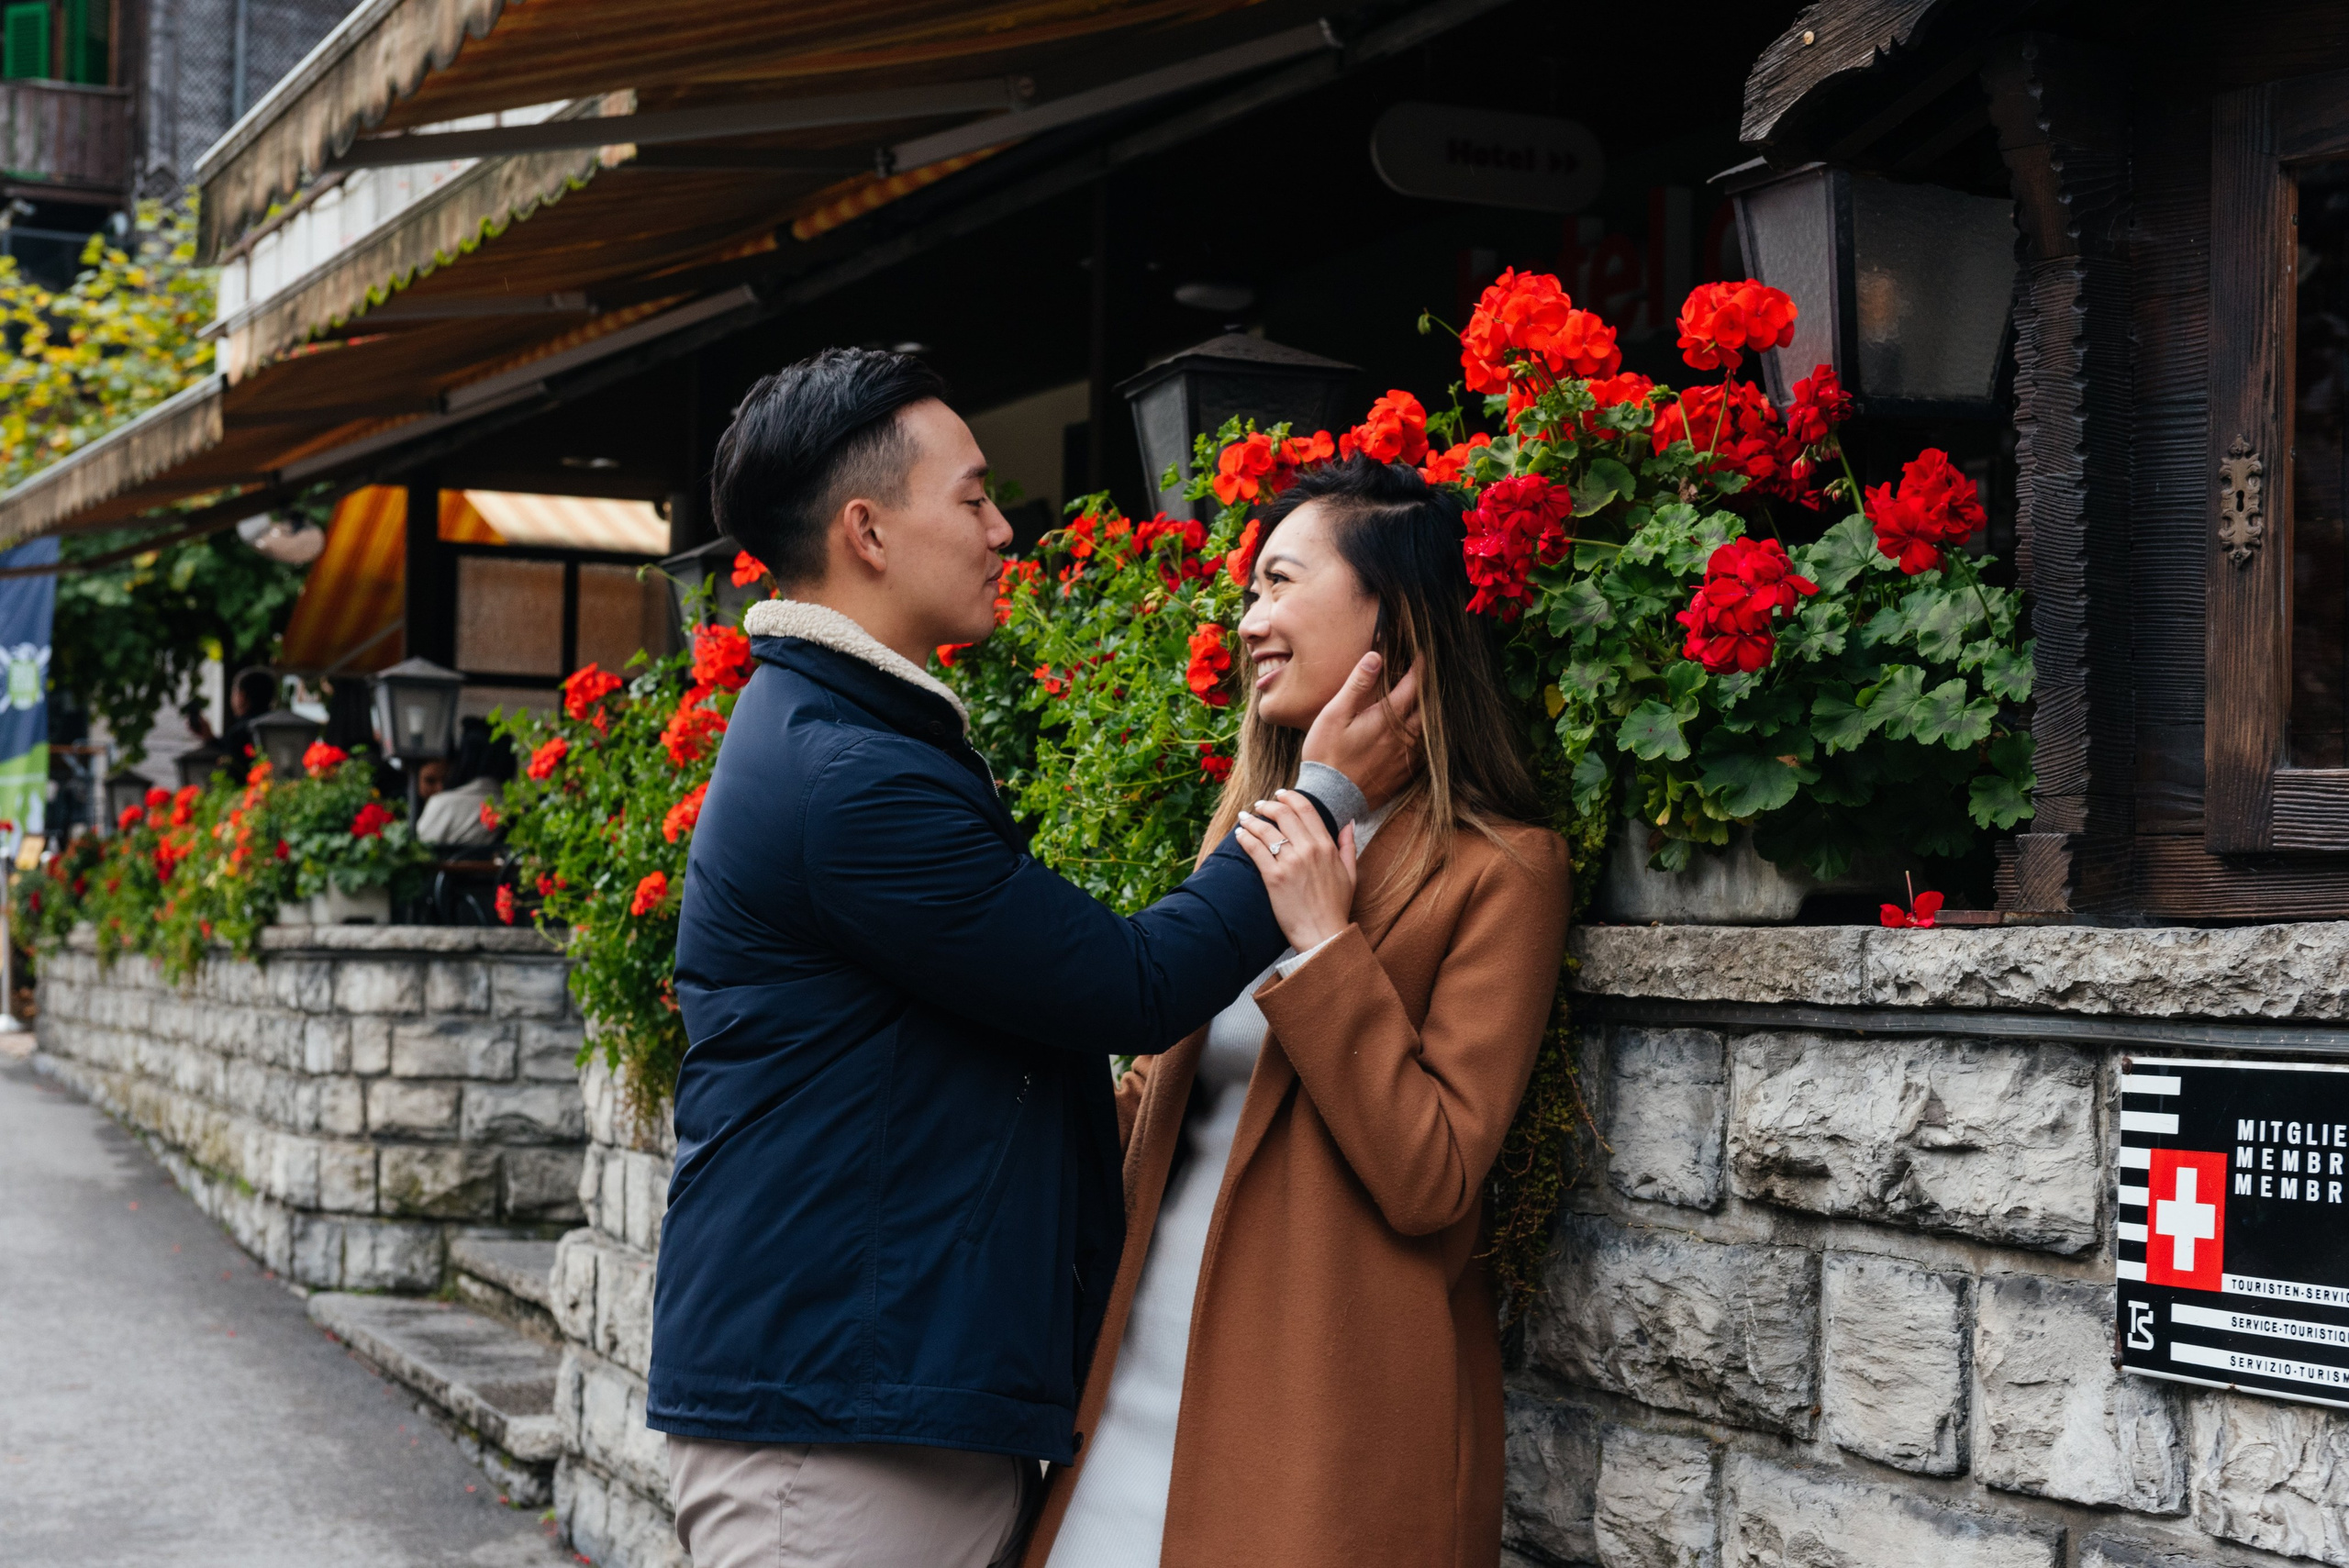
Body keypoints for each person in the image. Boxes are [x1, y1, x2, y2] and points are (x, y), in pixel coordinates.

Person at [651, 350, 1421, 1568]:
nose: (1005, 529)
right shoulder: (848, 776)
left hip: (865, 1401)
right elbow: (1127, 984)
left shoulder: (842, 732)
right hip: (836, 1434)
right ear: (868, 530)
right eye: (970, 498)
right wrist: (1324, 792)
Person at [1023, 457, 1574, 1568]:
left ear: (1394, 616)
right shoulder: (1251, 840)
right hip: (1131, 1386)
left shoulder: (1502, 869)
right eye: (1250, 591)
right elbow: (1153, 1106)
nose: (1248, 619)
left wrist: (1328, 944)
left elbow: (1435, 1176)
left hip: (1319, 1436)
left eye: (1279, 582)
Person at [414, 718, 513, 848]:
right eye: (430, 780)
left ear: (464, 762)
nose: (440, 787)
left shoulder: (442, 805)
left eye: (445, 779)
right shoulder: (514, 810)